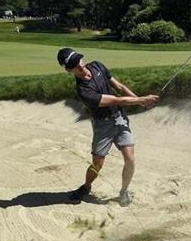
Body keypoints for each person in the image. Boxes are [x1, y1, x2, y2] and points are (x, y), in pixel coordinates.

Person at [57, 47, 159, 206]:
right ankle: (86, 186)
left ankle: (124, 191)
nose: (80, 65)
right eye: (75, 64)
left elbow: (119, 87)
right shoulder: (83, 90)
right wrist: (142, 100)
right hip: (102, 126)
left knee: (130, 158)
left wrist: (139, 100)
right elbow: (117, 100)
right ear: (69, 70)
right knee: (97, 164)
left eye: (79, 60)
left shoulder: (97, 65)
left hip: (119, 119)